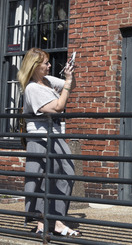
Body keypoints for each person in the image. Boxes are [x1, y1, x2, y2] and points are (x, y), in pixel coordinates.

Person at [19, 47, 82, 238]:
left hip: (55, 135)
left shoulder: (46, 81)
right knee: (42, 180)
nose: (49, 66)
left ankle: (55, 220)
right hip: (40, 138)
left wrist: (70, 75)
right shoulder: (32, 88)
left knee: (65, 174)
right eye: (46, 63)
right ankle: (45, 223)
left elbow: (71, 86)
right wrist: (68, 82)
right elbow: (58, 106)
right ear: (35, 66)